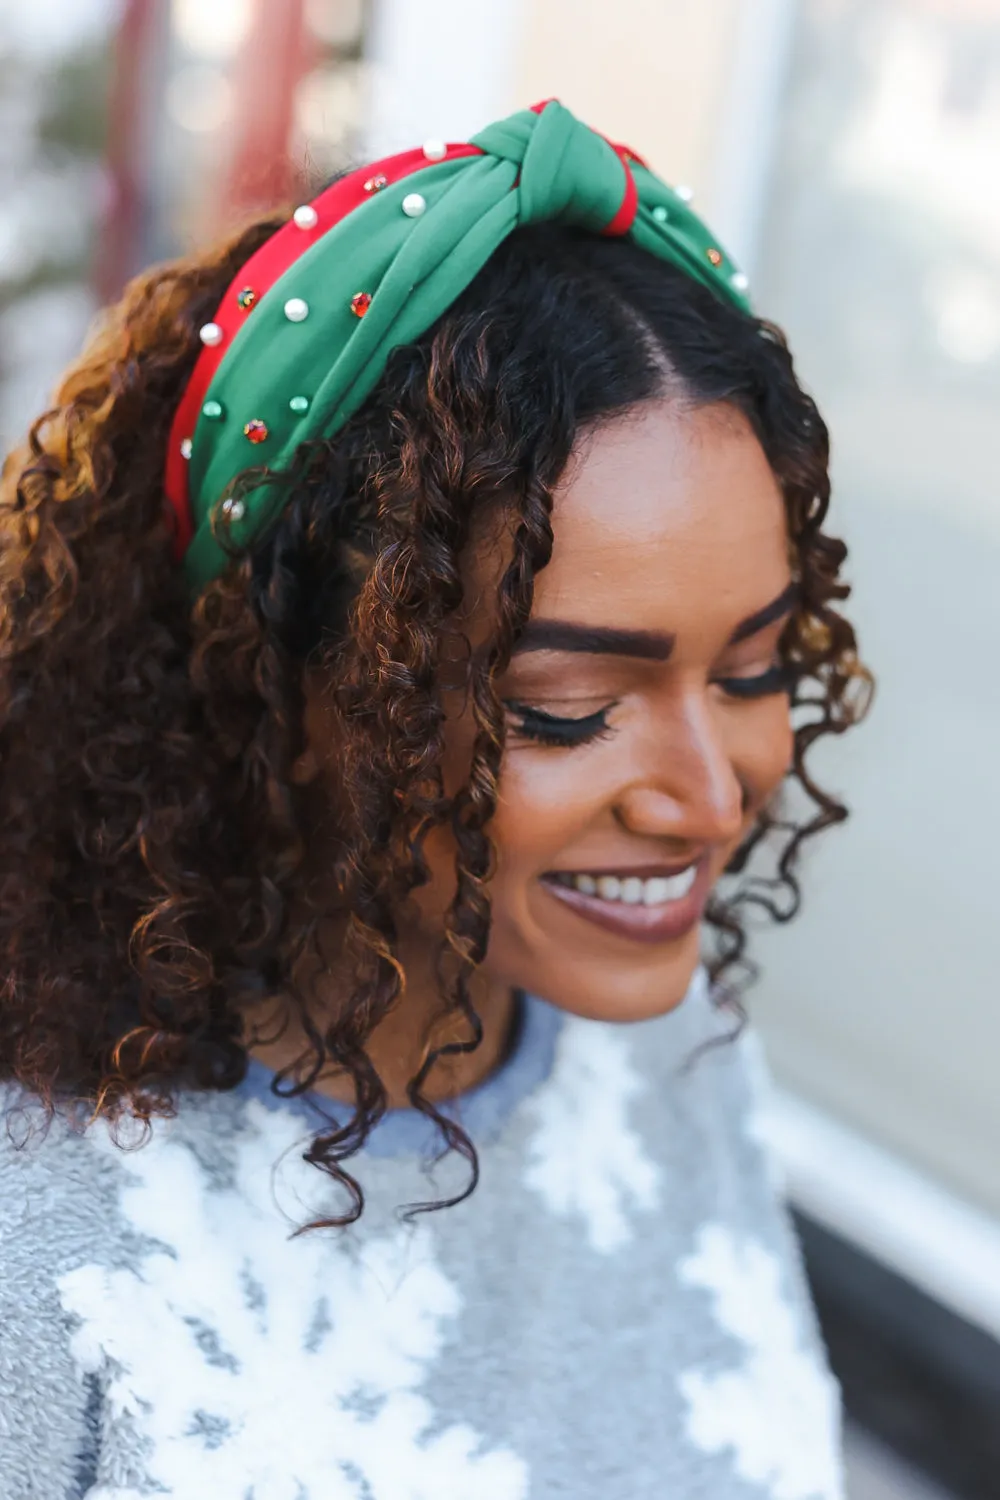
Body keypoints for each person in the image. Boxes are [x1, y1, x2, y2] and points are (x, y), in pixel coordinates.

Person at [0, 101, 870, 1499]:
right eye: (570, 711)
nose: (711, 799)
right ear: (278, 686)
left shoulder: (674, 1043)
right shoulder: (37, 1254)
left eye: (757, 669)